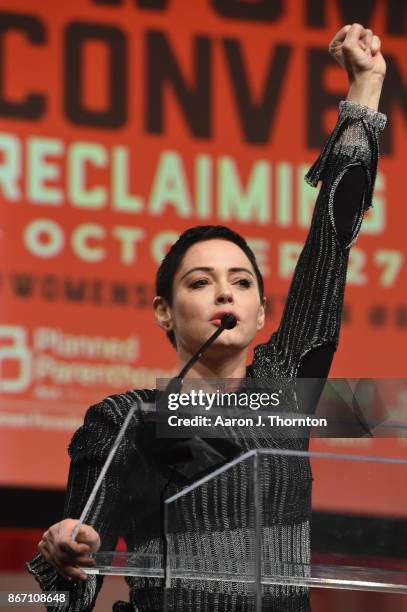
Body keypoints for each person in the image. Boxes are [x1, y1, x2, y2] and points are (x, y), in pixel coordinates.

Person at [27, 24, 387, 612]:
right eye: (201, 282)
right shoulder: (125, 421)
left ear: (263, 310)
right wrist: (63, 554)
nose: (226, 293)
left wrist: (365, 91)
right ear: (164, 311)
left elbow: (330, 245)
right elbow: (75, 583)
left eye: (242, 282)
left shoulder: (284, 389)